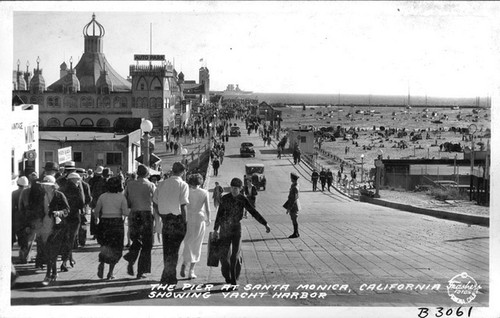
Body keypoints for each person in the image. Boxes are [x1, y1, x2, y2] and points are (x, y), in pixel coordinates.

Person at [213, 178, 271, 285]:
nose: (234, 190)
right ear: (230, 188)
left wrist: (265, 223)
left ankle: (233, 280)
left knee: (234, 255)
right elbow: (219, 215)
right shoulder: (225, 199)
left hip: (236, 228)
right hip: (225, 229)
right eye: (232, 188)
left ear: (240, 189)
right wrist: (215, 229)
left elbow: (253, 212)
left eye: (236, 189)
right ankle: (227, 274)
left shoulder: (242, 199)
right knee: (223, 256)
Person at [153, 162, 189, 285]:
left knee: (167, 249)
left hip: (166, 220)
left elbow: (155, 202)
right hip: (178, 219)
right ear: (183, 172)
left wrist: (161, 214)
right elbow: (183, 206)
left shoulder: (161, 184)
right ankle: (170, 277)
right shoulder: (183, 185)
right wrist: (185, 222)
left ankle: (166, 276)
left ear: (172, 170)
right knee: (174, 250)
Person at [123, 165, 156, 279]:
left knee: (136, 239)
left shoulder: (130, 184)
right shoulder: (151, 185)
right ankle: (141, 270)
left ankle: (131, 257)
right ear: (147, 174)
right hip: (146, 213)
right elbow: (155, 200)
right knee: (148, 243)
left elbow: (125, 199)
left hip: (134, 213)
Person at [94, 177, 129, 280]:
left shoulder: (102, 196)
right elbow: (125, 212)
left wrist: (97, 219)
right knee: (116, 248)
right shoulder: (121, 197)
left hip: (104, 222)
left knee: (105, 245)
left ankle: (102, 262)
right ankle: (110, 272)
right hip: (117, 223)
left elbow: (96, 211)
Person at [38, 175, 70, 285]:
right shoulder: (41, 196)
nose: (45, 187)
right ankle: (53, 273)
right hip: (44, 225)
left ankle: (49, 274)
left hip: (57, 226)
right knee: (47, 251)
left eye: (48, 186)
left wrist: (59, 213)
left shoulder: (59, 195)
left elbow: (67, 210)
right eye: (44, 185)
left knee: (53, 251)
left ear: (53, 186)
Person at [181, 174, 211, 279]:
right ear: (200, 182)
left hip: (188, 218)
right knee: (197, 244)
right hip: (199, 218)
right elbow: (207, 209)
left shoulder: (186, 191)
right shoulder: (204, 192)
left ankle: (185, 262)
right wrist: (209, 219)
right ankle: (191, 271)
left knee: (187, 241)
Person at [59, 172, 85, 271]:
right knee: (71, 239)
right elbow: (81, 202)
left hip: (63, 216)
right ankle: (64, 262)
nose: (79, 181)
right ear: (73, 180)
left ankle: (70, 258)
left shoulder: (62, 188)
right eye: (77, 179)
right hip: (74, 216)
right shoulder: (76, 188)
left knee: (65, 237)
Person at [12, 176, 29, 248]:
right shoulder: (28, 192)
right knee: (24, 237)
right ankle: (23, 254)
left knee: (17, 233)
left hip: (17, 217)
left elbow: (12, 206)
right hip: (27, 216)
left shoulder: (14, 193)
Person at [284, 173, 301, 238]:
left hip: (294, 205)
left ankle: (296, 233)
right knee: (294, 218)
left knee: (294, 218)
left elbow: (293, 198)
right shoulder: (295, 185)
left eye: (291, 178)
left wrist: (289, 208)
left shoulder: (294, 187)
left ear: (293, 179)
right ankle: (296, 232)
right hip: (295, 203)